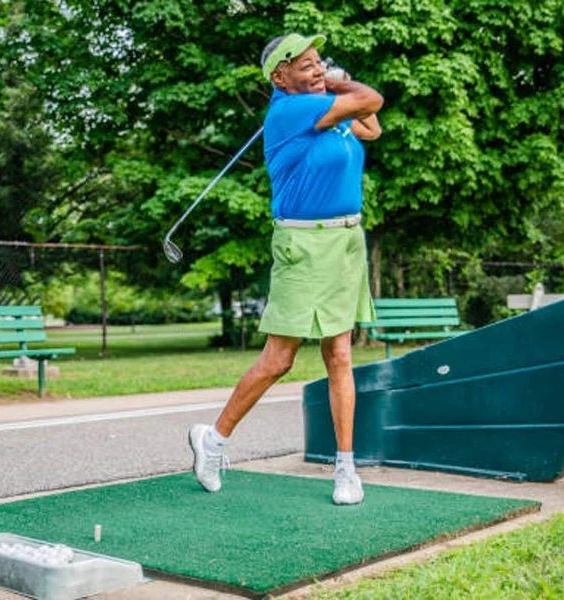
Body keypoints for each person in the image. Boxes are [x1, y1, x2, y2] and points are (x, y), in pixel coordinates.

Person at [188, 33, 383, 505]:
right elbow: (371, 99)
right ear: (280, 77)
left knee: (339, 355)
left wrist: (332, 88)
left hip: (344, 240)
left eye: (320, 63)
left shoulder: (325, 111)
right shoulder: (291, 112)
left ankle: (345, 469)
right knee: (280, 358)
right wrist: (341, 84)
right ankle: (212, 441)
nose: (317, 70)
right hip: (302, 244)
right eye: (306, 66)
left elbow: (371, 126)